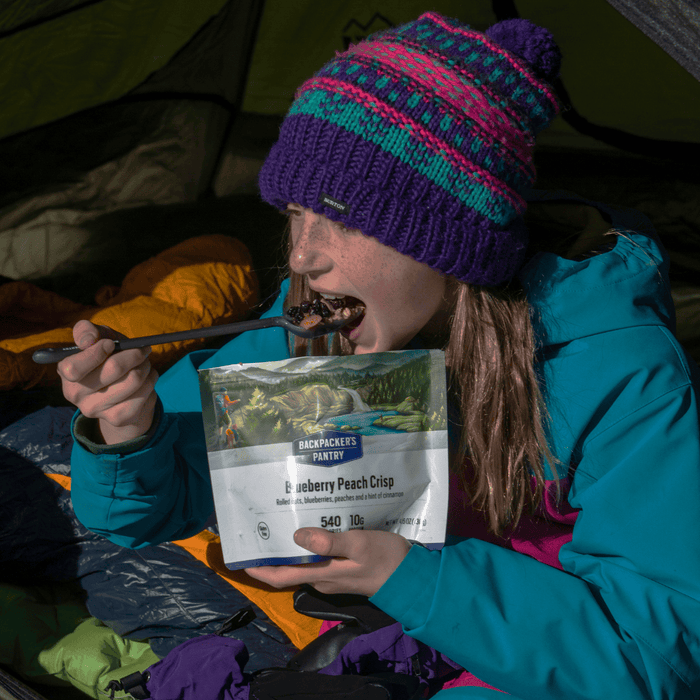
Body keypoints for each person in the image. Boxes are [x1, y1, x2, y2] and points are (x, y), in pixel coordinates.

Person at [58, 12, 700, 699]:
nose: (304, 254)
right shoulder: (307, 332)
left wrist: (407, 574)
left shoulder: (617, 374)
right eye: (297, 215)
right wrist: (127, 436)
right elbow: (142, 515)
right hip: (387, 643)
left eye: (345, 219)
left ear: (447, 240)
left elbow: (659, 655)